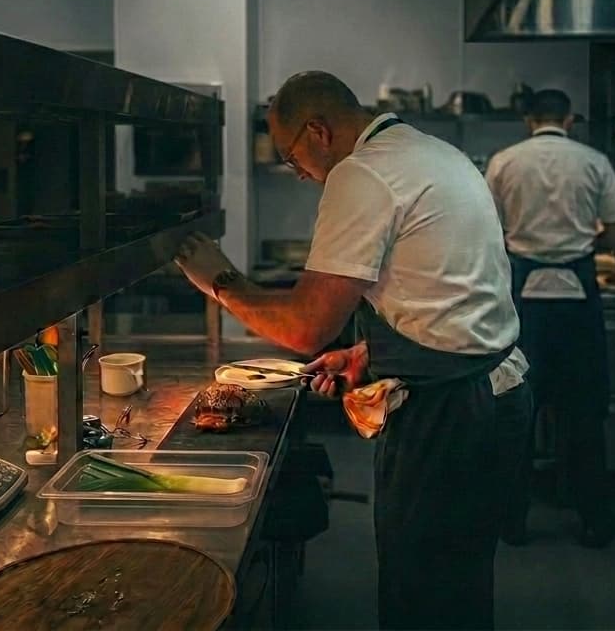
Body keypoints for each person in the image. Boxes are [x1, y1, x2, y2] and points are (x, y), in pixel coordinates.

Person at [174, 70, 531, 631]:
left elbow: (304, 328)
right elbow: (444, 291)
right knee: (457, 588)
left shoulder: (361, 173)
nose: (298, 174)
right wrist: (368, 352)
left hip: (448, 416)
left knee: (424, 600)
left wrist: (218, 280)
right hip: (495, 395)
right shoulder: (435, 153)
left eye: (293, 157)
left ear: (318, 131)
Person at [484, 88, 615, 548]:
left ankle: (510, 521)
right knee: (583, 412)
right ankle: (594, 518)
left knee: (517, 410)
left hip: (523, 302)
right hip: (578, 299)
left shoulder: (505, 162)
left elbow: (488, 233)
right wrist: (579, 247)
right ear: (569, 118)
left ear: (529, 119)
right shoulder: (593, 161)